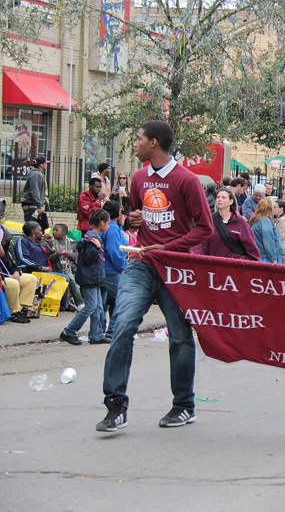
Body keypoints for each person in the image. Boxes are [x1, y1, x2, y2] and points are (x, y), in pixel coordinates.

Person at [97, 120, 213, 433]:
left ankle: (183, 405)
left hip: (175, 268)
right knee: (122, 325)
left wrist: (168, 247)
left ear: (154, 143)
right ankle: (115, 406)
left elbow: (205, 228)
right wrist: (132, 221)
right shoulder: (138, 178)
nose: (134, 144)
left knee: (180, 336)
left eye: (138, 139)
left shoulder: (186, 180)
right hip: (141, 263)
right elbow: (135, 220)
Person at [59, 209, 110, 346]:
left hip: (94, 278)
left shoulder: (93, 237)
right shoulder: (91, 239)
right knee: (91, 306)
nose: (108, 226)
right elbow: (88, 259)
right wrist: (97, 248)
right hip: (89, 278)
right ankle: (69, 331)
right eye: (107, 223)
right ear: (101, 222)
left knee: (98, 307)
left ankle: (96, 335)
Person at [14, 221, 72, 311]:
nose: (42, 233)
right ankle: (65, 305)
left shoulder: (38, 243)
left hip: (44, 271)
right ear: (33, 232)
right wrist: (41, 267)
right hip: (34, 272)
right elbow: (22, 259)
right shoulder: (23, 241)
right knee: (64, 278)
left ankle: (62, 304)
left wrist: (48, 242)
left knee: (65, 276)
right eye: (40, 230)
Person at [192, 187, 259, 261]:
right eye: (218, 197)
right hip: (213, 265)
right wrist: (198, 259)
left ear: (231, 201)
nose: (220, 199)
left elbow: (252, 250)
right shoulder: (209, 220)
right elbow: (200, 243)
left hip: (233, 265)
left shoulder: (240, 222)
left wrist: (241, 261)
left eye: (223, 197)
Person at [0, 203, 37, 323]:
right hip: (2, 276)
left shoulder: (4, 234)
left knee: (30, 279)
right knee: (12, 284)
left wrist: (15, 271)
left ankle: (21, 310)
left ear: (1, 215)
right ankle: (12, 312)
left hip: (6, 272)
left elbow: (8, 258)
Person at [100, 201, 127, 340]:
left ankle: (99, 331)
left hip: (102, 268)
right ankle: (112, 330)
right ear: (118, 214)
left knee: (102, 303)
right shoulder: (112, 228)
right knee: (122, 299)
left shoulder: (102, 226)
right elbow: (114, 251)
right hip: (111, 270)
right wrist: (122, 267)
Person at [50, 223, 83, 310]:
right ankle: (69, 303)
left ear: (63, 232)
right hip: (56, 269)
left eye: (56, 230)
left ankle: (79, 303)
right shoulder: (52, 243)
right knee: (66, 281)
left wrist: (69, 254)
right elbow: (50, 258)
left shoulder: (71, 242)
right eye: (54, 230)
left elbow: (75, 256)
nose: (54, 232)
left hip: (68, 268)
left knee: (72, 281)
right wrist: (56, 255)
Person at [249, 198, 285, 263]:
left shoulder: (255, 220)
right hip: (266, 259)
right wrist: (273, 259)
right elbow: (268, 242)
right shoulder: (265, 221)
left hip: (258, 256)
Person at [20, 155, 49, 224]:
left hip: (33, 205)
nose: (46, 165)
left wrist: (42, 198)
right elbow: (35, 191)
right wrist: (39, 205)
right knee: (31, 226)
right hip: (31, 205)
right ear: (41, 165)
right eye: (45, 163)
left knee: (36, 226)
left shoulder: (38, 174)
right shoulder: (35, 175)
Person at [273, 199, 285, 265]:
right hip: (284, 248)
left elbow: (280, 236)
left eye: (275, 207)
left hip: (284, 249)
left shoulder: (282, 220)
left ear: (281, 209)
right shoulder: (283, 218)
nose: (273, 209)